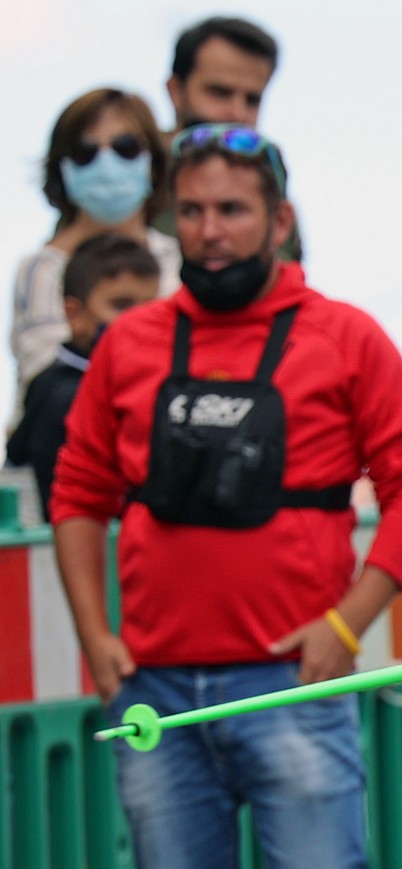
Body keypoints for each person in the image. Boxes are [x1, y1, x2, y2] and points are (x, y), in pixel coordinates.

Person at [49, 126, 402, 869]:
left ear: (279, 220)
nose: (209, 231)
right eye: (191, 212)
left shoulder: (346, 337)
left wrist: (349, 621)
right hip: (158, 699)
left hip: (293, 690)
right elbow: (76, 493)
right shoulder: (131, 345)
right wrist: (95, 636)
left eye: (231, 210)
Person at [11, 88, 181, 421]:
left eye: (126, 148)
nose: (107, 165)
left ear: (154, 164)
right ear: (61, 168)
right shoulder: (41, 270)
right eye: (85, 152)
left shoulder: (181, 261)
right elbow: (45, 378)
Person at [5, 234, 161, 516]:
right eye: (121, 305)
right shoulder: (62, 397)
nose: (140, 319)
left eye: (150, 306)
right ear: (74, 314)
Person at [157, 17, 299, 264]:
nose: (237, 114)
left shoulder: (269, 187)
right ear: (176, 91)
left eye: (252, 100)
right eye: (220, 93)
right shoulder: (128, 172)